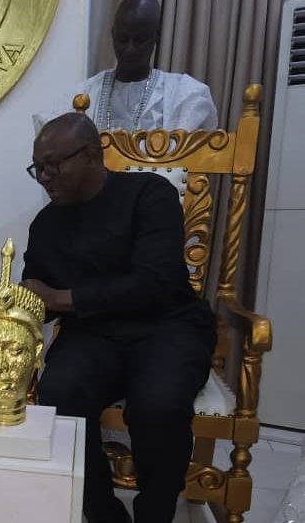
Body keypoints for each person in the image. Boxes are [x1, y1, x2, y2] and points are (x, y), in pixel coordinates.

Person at [21, 113, 215, 523]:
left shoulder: (149, 193)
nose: (44, 176)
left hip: (166, 327)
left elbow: (155, 283)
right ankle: (102, 513)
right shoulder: (45, 224)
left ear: (92, 155)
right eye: (38, 167)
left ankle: (154, 514)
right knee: (60, 394)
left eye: (53, 165)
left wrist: (61, 297)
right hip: (92, 335)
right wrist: (16, 304)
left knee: (158, 406)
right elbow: (34, 290)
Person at [34, 0, 217, 134]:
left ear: (156, 37)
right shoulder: (84, 94)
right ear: (113, 34)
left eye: (139, 40)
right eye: (123, 39)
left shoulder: (183, 96)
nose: (129, 49)